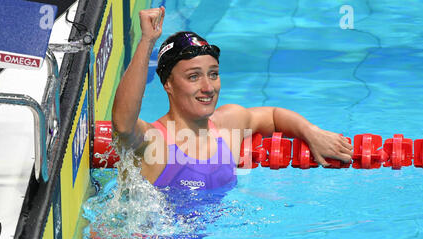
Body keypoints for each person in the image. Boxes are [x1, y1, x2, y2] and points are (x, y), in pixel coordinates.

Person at [112, 7, 353, 190]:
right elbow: (123, 124)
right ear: (168, 85)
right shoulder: (154, 141)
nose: (208, 87)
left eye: (213, 74)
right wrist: (147, 41)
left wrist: (311, 132)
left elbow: (273, 115)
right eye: (193, 77)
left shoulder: (229, 124)